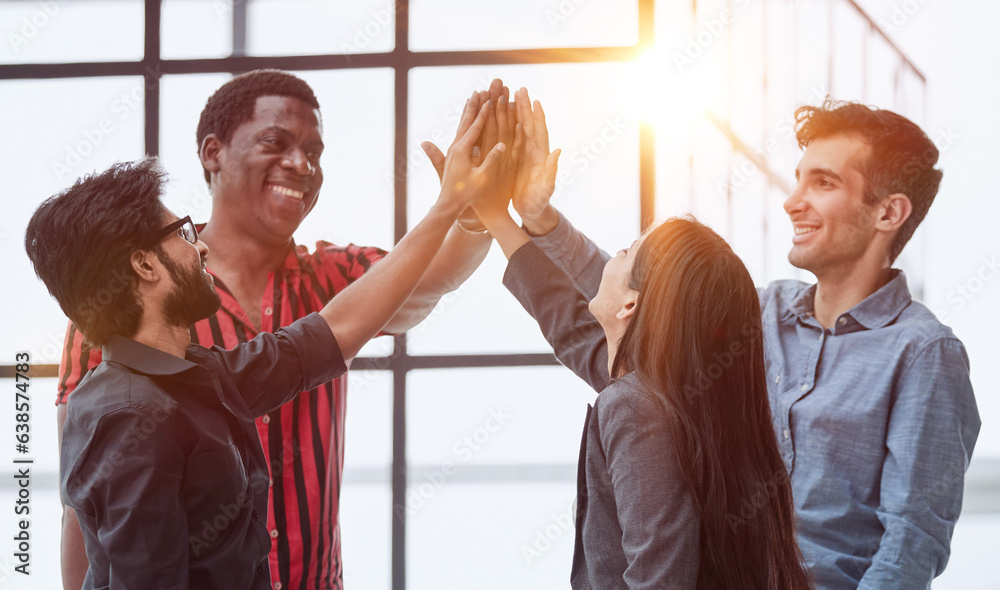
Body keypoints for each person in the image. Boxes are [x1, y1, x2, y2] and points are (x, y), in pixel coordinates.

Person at [55, 71, 510, 589]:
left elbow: (406, 292)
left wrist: (471, 213)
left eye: (314, 151)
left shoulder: (316, 289)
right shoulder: (119, 345)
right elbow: (84, 509)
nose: (302, 165)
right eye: (276, 142)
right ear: (213, 152)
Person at [507, 94, 981, 588]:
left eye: (823, 182)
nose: (792, 200)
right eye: (799, 178)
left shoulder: (924, 353)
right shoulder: (762, 311)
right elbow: (643, 295)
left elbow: (911, 541)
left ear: (889, 213)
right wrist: (540, 219)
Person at [465, 92, 813, 588]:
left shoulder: (635, 404)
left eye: (624, 252)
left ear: (630, 306)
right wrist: (500, 215)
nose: (611, 256)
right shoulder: (667, 391)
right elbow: (565, 322)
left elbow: (658, 578)